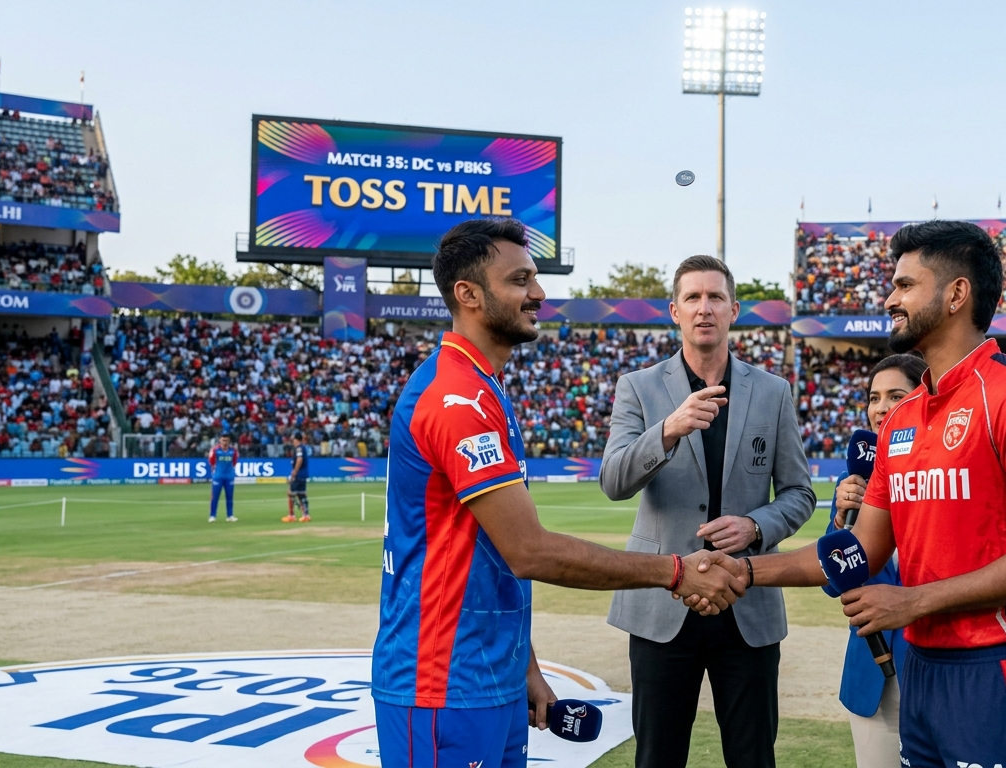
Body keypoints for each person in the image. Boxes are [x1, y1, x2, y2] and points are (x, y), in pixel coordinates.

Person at [688, 220, 1006, 768]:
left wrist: (916, 601)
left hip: (998, 670)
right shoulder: (902, 419)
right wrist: (745, 571)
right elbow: (862, 550)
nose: (890, 297)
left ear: (956, 294)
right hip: (920, 672)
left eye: (905, 285)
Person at [371, 219, 749, 768]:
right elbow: (529, 551)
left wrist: (523, 667)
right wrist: (676, 572)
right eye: (520, 280)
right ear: (468, 294)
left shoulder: (485, 389)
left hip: (490, 674)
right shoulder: (455, 397)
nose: (539, 294)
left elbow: (491, 556)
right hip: (443, 685)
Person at [600, 255, 816, 768]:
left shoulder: (773, 391)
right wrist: (668, 431)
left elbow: (800, 493)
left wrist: (755, 525)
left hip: (746, 603)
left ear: (734, 309)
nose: (704, 308)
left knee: (753, 757)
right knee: (657, 757)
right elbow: (613, 482)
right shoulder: (639, 387)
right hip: (662, 606)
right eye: (693, 298)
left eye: (715, 297)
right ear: (674, 311)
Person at [829, 353, 926, 767]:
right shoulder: (851, 483)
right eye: (874, 396)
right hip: (874, 675)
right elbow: (832, 582)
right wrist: (839, 520)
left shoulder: (945, 475)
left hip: (939, 667)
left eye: (896, 395)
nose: (881, 407)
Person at [207, 434, 237, 522]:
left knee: (229, 497)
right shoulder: (215, 450)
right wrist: (216, 472)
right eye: (223, 440)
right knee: (215, 497)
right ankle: (212, 516)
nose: (224, 442)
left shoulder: (233, 450)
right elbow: (211, 462)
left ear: (229, 441)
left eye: (226, 440)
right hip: (218, 477)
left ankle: (230, 516)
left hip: (229, 477)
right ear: (220, 440)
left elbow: (234, 462)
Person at [282, 431, 311, 523]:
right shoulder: (302, 448)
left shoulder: (299, 449)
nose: (292, 441)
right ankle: (306, 515)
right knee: (301, 494)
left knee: (291, 493)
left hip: (299, 474)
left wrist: (294, 473)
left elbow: (299, 459)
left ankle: (291, 515)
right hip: (303, 474)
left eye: (293, 439)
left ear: (296, 439)